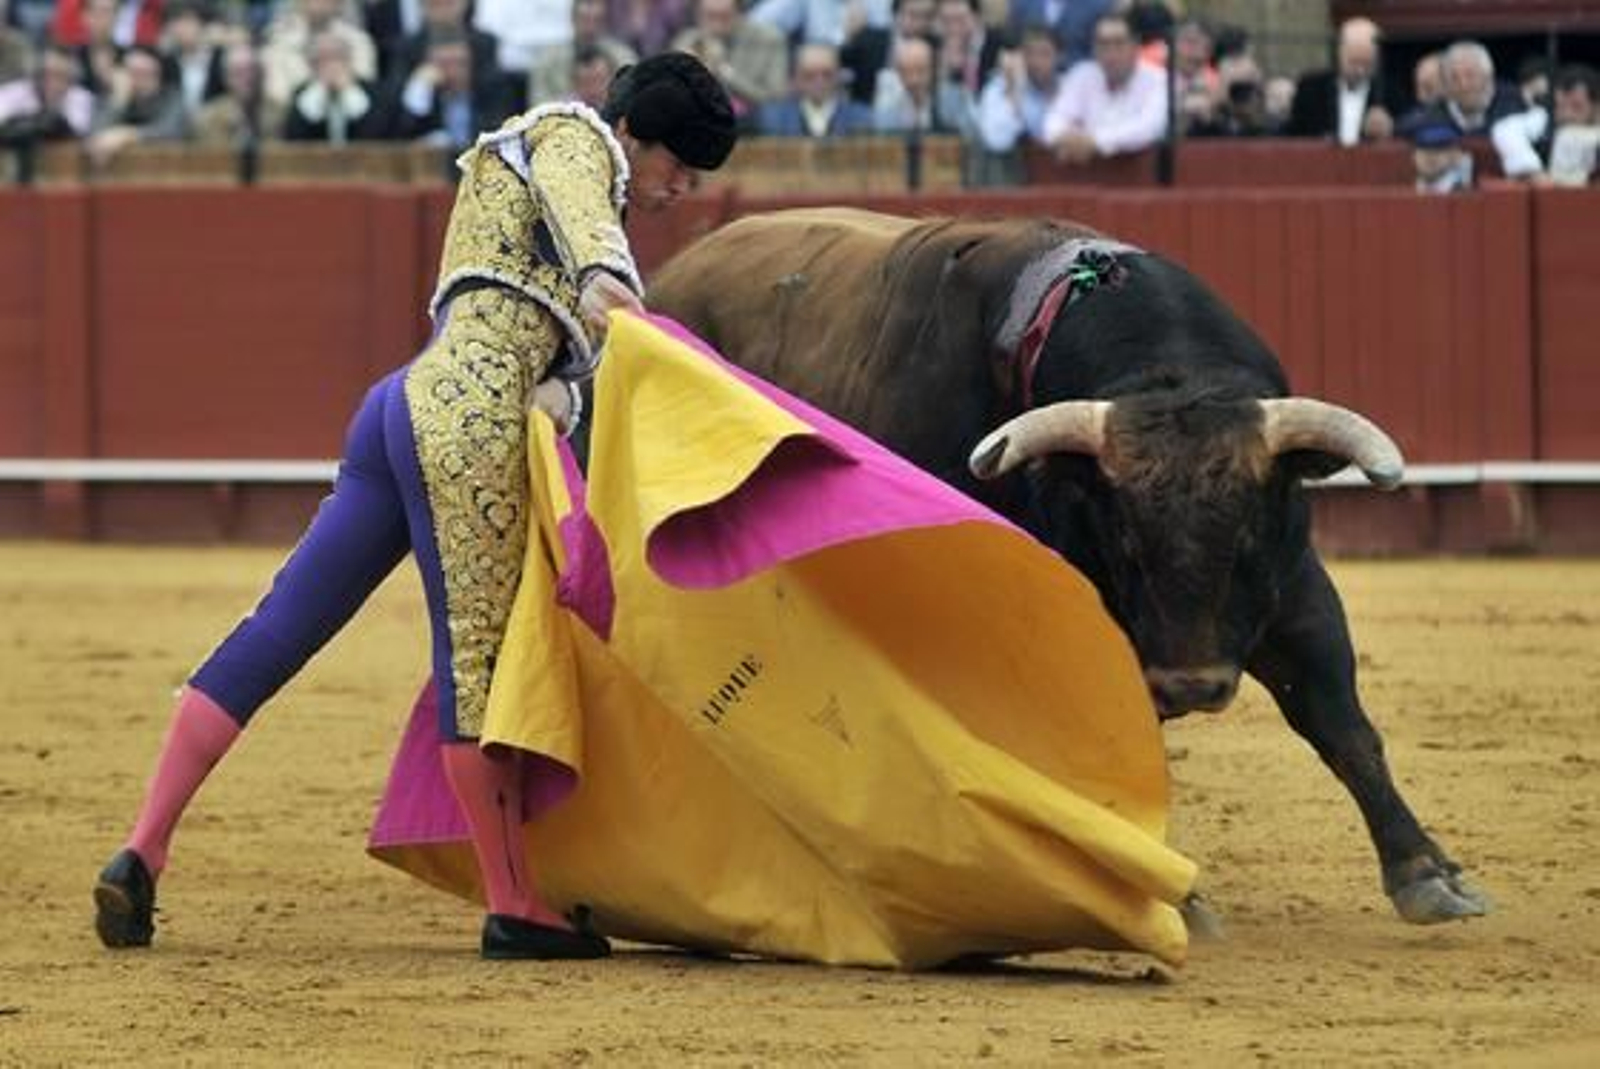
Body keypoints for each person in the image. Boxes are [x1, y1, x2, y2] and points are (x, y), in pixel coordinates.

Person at [92, 50, 738, 962]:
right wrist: (606, 281)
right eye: (682, 166)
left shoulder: (525, 166)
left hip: (400, 407)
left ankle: (143, 844)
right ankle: (516, 903)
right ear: (639, 132)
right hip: (466, 423)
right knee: (476, 662)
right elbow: (582, 216)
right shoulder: (575, 136)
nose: (684, 188)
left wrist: (570, 382)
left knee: (280, 627)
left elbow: (548, 352)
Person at [1042, 11, 1167, 164]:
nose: (1111, 53)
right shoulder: (1081, 75)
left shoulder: (1158, 80)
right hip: (1085, 178)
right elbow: (1054, 120)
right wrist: (1064, 138)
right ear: (1094, 49)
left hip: (1140, 178)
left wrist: (1094, 142)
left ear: (1135, 46)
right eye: (1103, 44)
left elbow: (1150, 127)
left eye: (1119, 43)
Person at [1285, 16, 1396, 145]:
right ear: (1339, 54)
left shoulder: (1390, 93)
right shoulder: (1311, 88)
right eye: (1354, 62)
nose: (1360, 71)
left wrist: (1388, 129)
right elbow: (1294, 135)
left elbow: (1404, 133)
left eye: (1367, 64)